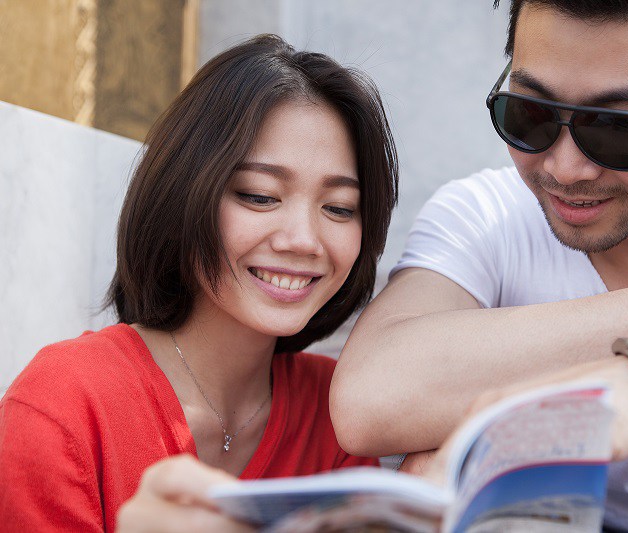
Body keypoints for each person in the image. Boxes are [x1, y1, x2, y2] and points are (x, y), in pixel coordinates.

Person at [331, 1, 628, 531]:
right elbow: (370, 398)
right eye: (530, 112)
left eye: (620, 129)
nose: (565, 168)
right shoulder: (486, 216)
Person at [0, 34, 398, 532]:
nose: (304, 239)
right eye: (259, 196)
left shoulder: (337, 410)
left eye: (339, 208)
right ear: (185, 192)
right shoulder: (64, 404)